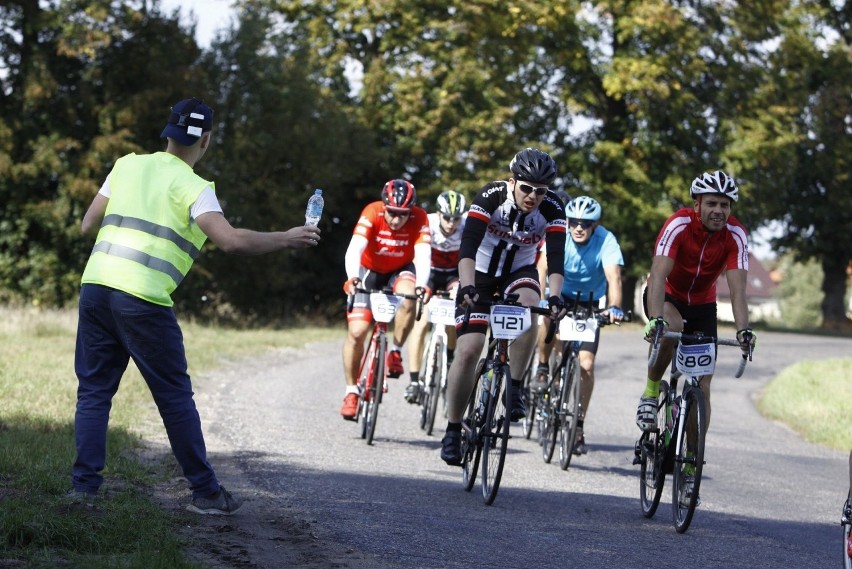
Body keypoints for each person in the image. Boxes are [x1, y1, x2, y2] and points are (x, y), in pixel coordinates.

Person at [72, 97, 320, 515]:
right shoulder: (195, 189)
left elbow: (86, 224)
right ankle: (206, 494)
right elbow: (232, 241)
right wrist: (286, 237)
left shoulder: (126, 165)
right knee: (174, 398)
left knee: (94, 392)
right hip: (143, 299)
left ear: (167, 132)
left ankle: (83, 492)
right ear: (206, 140)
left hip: (95, 287)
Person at [439, 147, 568, 466]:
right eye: (526, 188)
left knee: (528, 310)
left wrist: (554, 297)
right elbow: (466, 246)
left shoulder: (552, 208)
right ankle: (453, 430)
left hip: (518, 272)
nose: (533, 196)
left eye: (540, 191)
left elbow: (556, 258)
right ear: (513, 182)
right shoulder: (491, 196)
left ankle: (515, 386)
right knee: (469, 350)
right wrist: (467, 286)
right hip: (479, 273)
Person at [635, 170, 756, 434]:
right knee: (670, 328)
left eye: (724, 205)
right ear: (697, 204)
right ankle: (651, 392)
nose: (718, 210)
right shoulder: (679, 225)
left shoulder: (736, 235)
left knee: (702, 386)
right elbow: (657, 275)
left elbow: (738, 291)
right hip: (666, 295)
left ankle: (691, 463)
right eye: (711, 203)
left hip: (702, 304)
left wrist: (743, 330)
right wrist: (656, 320)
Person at [532, 195, 624, 455]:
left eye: (585, 223)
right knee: (552, 330)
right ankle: (542, 367)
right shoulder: (560, 232)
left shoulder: (606, 240)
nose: (578, 227)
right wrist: (540, 298)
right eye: (574, 222)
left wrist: (615, 307)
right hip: (561, 296)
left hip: (591, 303)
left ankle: (579, 425)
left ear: (595, 225)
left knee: (586, 364)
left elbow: (614, 277)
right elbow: (542, 268)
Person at [340, 179, 432, 419]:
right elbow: (355, 248)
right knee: (357, 332)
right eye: (392, 213)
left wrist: (422, 285)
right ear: (384, 206)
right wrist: (352, 278)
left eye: (403, 214)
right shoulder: (372, 211)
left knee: (410, 296)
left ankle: (396, 352)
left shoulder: (420, 217)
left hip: (400, 270)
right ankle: (351, 390)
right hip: (368, 272)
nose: (396, 219)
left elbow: (423, 255)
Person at [404, 190, 467, 404]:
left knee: (455, 310)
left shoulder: (467, 226)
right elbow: (416, 254)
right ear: (438, 214)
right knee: (420, 324)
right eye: (447, 217)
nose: (451, 223)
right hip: (429, 272)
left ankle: (449, 359)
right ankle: (414, 380)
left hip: (452, 274)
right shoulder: (427, 223)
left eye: (456, 218)